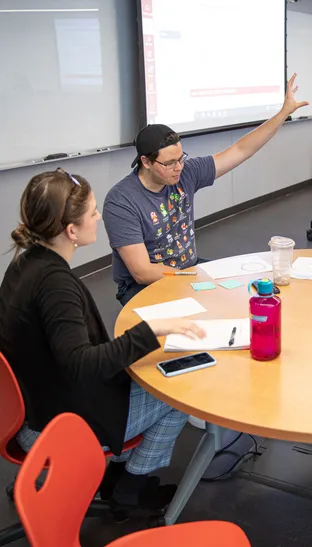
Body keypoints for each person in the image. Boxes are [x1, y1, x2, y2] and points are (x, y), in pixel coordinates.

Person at [0, 169, 208, 511]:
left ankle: (116, 478)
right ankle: (131, 489)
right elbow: (83, 364)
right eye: (94, 212)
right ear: (71, 230)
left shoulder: (24, 263)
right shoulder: (55, 285)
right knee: (180, 391)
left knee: (150, 369)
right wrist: (151, 330)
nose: (99, 218)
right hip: (59, 422)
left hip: (34, 407)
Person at [104, 74, 308, 306]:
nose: (178, 168)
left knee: (241, 294)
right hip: (143, 285)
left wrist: (283, 113)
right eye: (169, 163)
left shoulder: (185, 173)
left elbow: (241, 150)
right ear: (146, 162)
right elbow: (142, 272)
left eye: (181, 159)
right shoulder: (121, 201)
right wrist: (195, 278)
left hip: (189, 268)